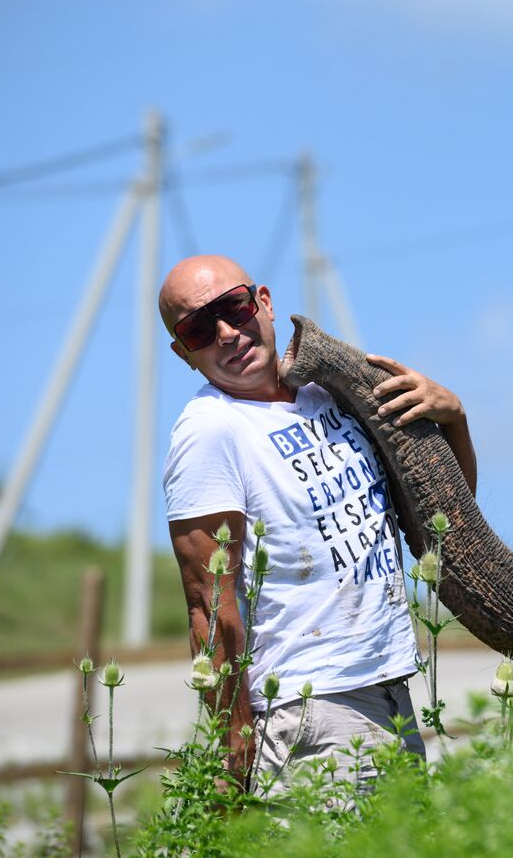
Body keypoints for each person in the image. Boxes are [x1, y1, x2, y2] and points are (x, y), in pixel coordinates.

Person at [158, 254, 476, 793]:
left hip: (390, 689)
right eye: (197, 329)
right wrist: (232, 741)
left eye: (234, 308)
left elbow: (445, 522)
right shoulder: (209, 432)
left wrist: (455, 419)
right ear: (183, 353)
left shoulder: (328, 394)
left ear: (264, 301)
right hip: (308, 711)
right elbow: (209, 606)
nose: (227, 334)